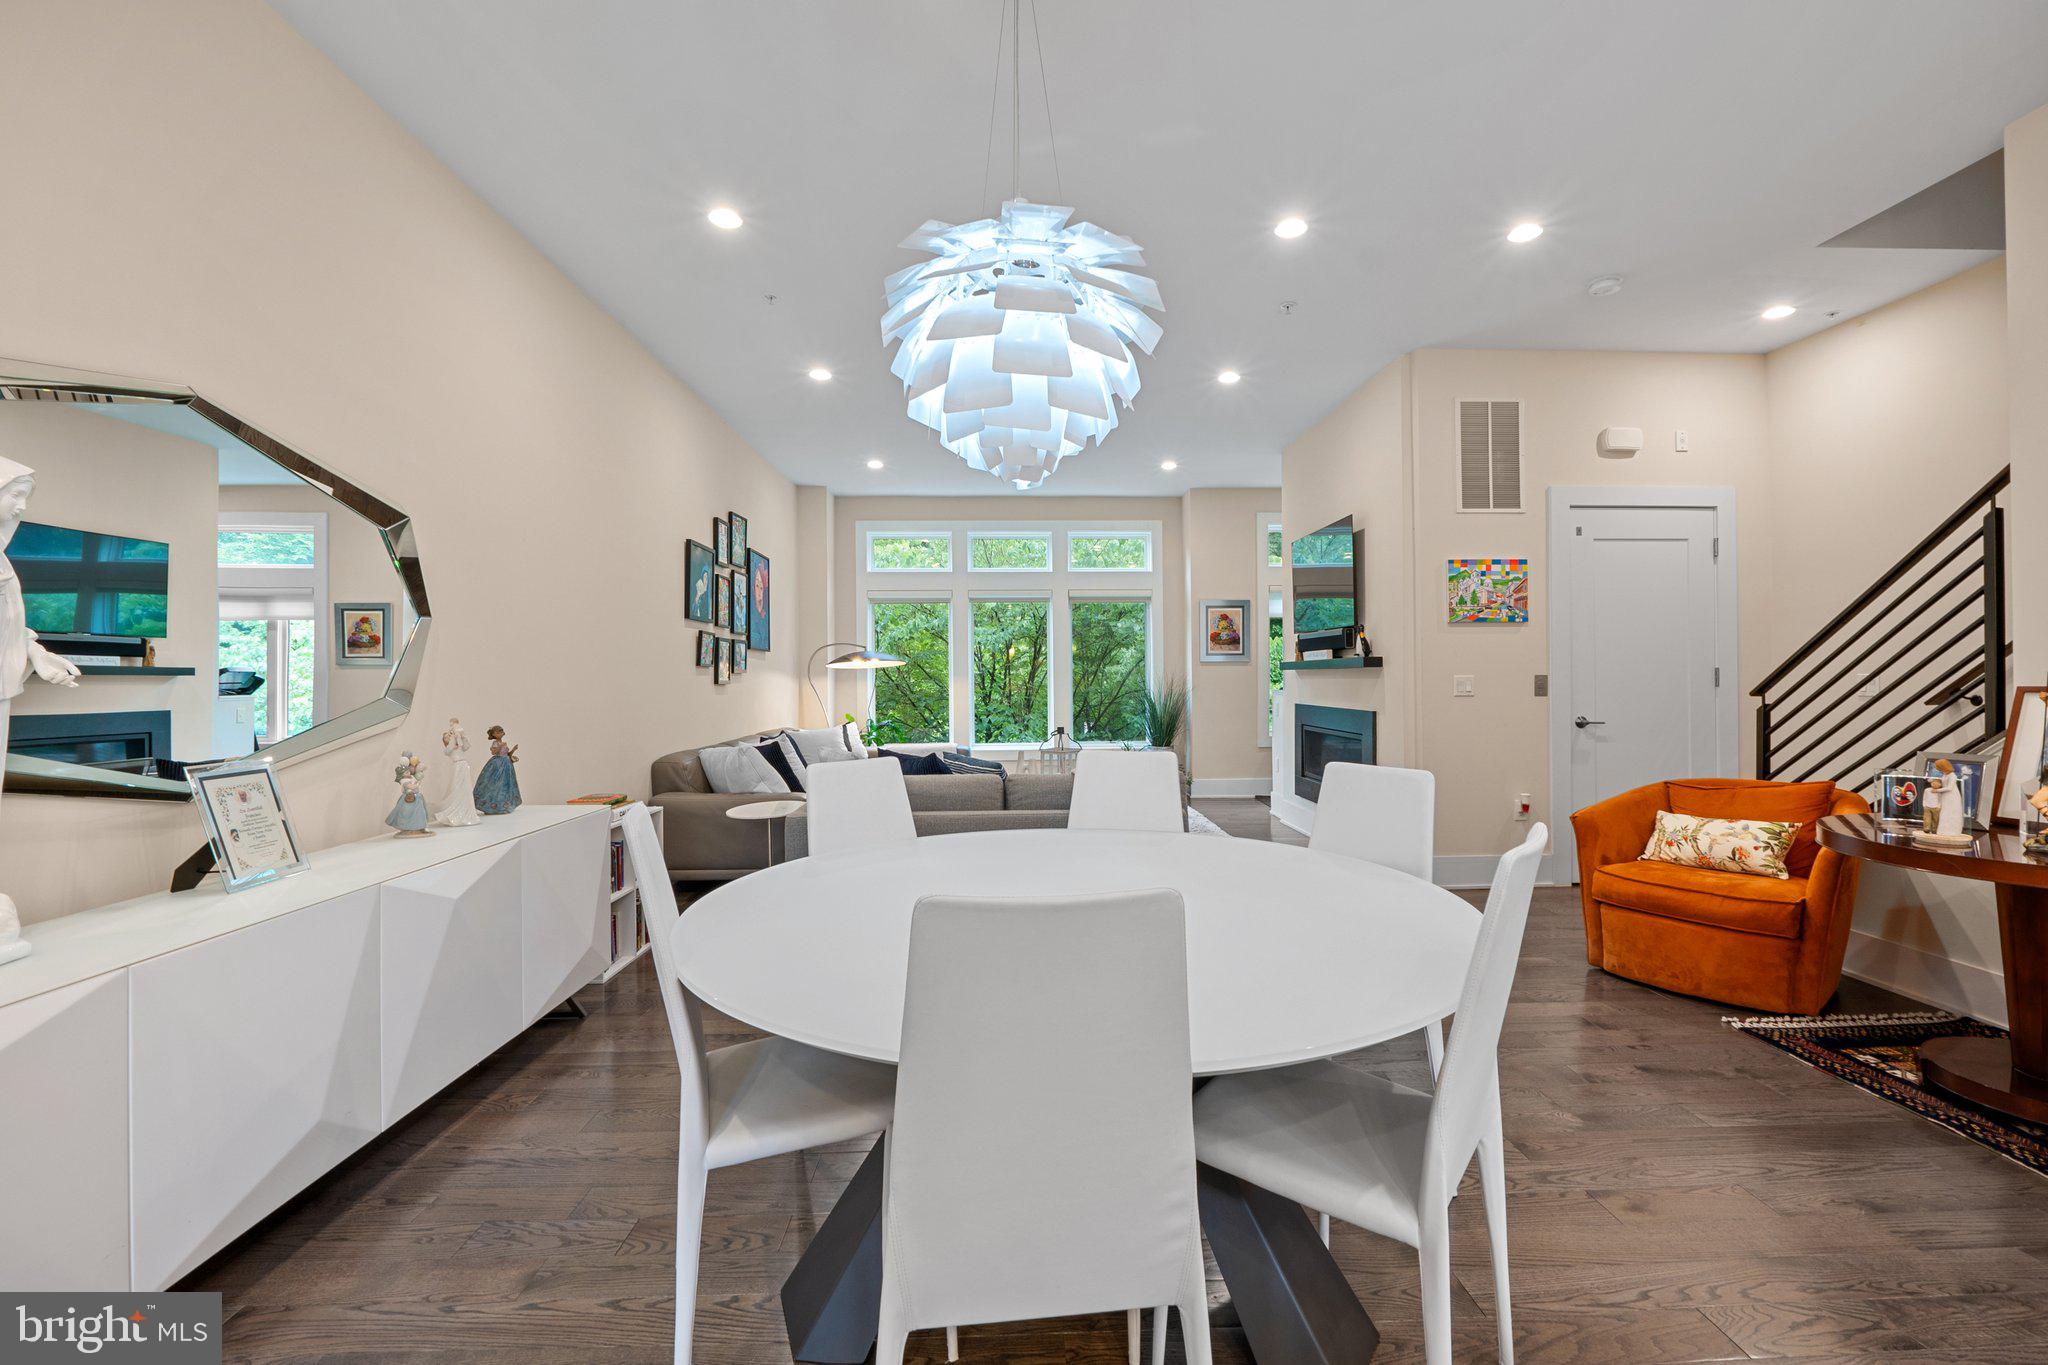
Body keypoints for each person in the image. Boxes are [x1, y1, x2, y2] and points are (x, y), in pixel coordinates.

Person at [0, 457, 82, 964]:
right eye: (16, 492)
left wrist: (38, 654)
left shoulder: (5, 564)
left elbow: (12, 627)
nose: (22, 505)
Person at [472, 724, 522, 814]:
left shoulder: (503, 742)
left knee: (505, 784)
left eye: (501, 731)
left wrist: (514, 749)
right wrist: (500, 746)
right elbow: (494, 752)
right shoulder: (495, 743)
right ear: (494, 734)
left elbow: (507, 754)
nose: (500, 733)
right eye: (498, 732)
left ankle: (504, 805)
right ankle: (490, 806)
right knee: (495, 783)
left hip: (507, 765)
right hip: (498, 764)